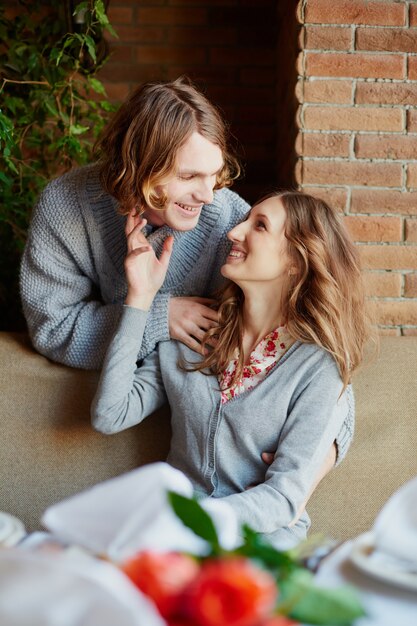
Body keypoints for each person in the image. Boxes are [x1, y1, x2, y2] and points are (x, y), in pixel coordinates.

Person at [91, 190, 370, 548]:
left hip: (262, 547)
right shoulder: (193, 334)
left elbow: (284, 499)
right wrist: (140, 300)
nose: (234, 232)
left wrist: (188, 523)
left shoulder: (317, 367)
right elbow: (109, 414)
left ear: (295, 263)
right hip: (177, 540)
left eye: (260, 226)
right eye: (244, 221)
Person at [20, 76, 249, 370]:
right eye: (188, 176)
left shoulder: (233, 218)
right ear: (139, 166)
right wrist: (157, 318)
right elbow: (53, 328)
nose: (207, 195)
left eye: (214, 173)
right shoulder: (64, 205)